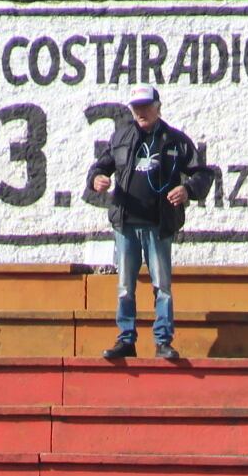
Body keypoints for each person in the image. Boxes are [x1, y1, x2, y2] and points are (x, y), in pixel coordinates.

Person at [88, 85, 213, 363]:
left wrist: (188, 190)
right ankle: (126, 339)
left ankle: (163, 341)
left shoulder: (176, 140)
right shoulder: (121, 137)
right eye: (136, 107)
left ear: (158, 106)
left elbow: (203, 173)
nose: (141, 111)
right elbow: (99, 167)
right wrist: (96, 179)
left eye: (146, 106)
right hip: (126, 223)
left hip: (159, 224)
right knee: (124, 285)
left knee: (162, 286)